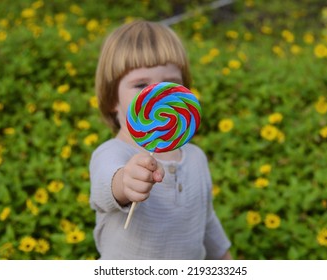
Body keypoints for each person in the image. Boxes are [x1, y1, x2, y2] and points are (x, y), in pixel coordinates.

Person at [90, 19, 232, 260]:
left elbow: (206, 220)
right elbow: (106, 187)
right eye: (141, 84)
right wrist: (125, 182)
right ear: (113, 97)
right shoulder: (112, 153)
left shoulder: (196, 158)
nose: (157, 94)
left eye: (171, 84)